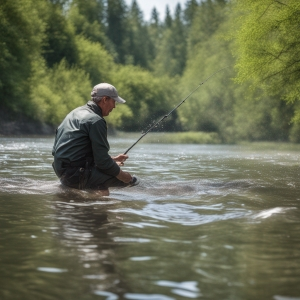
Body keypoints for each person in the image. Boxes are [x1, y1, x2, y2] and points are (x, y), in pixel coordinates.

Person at [52, 83, 139, 196]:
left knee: (104, 178)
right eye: (114, 101)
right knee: (132, 182)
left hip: (61, 170)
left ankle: (87, 201)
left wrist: (111, 160)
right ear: (105, 99)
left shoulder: (74, 113)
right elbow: (102, 162)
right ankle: (96, 208)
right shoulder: (96, 121)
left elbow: (71, 150)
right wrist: (126, 177)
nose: (114, 106)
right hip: (76, 175)